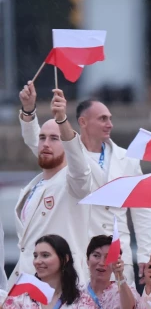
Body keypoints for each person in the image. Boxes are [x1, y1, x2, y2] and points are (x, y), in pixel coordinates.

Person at [19, 82, 151, 284]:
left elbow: (142, 207)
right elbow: (36, 142)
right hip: (84, 251)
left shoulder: (127, 159)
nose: (110, 124)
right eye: (102, 119)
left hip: (118, 252)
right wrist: (29, 111)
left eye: (110, 119)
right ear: (83, 122)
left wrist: (145, 254)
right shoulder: (69, 154)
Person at [12, 89, 93, 280]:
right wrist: (29, 110)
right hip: (26, 283)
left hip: (62, 287)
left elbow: (78, 164)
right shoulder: (36, 184)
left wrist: (62, 119)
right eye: (42, 138)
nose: (45, 144)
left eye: (55, 138)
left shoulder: (75, 182)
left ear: (68, 144)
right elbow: (35, 140)